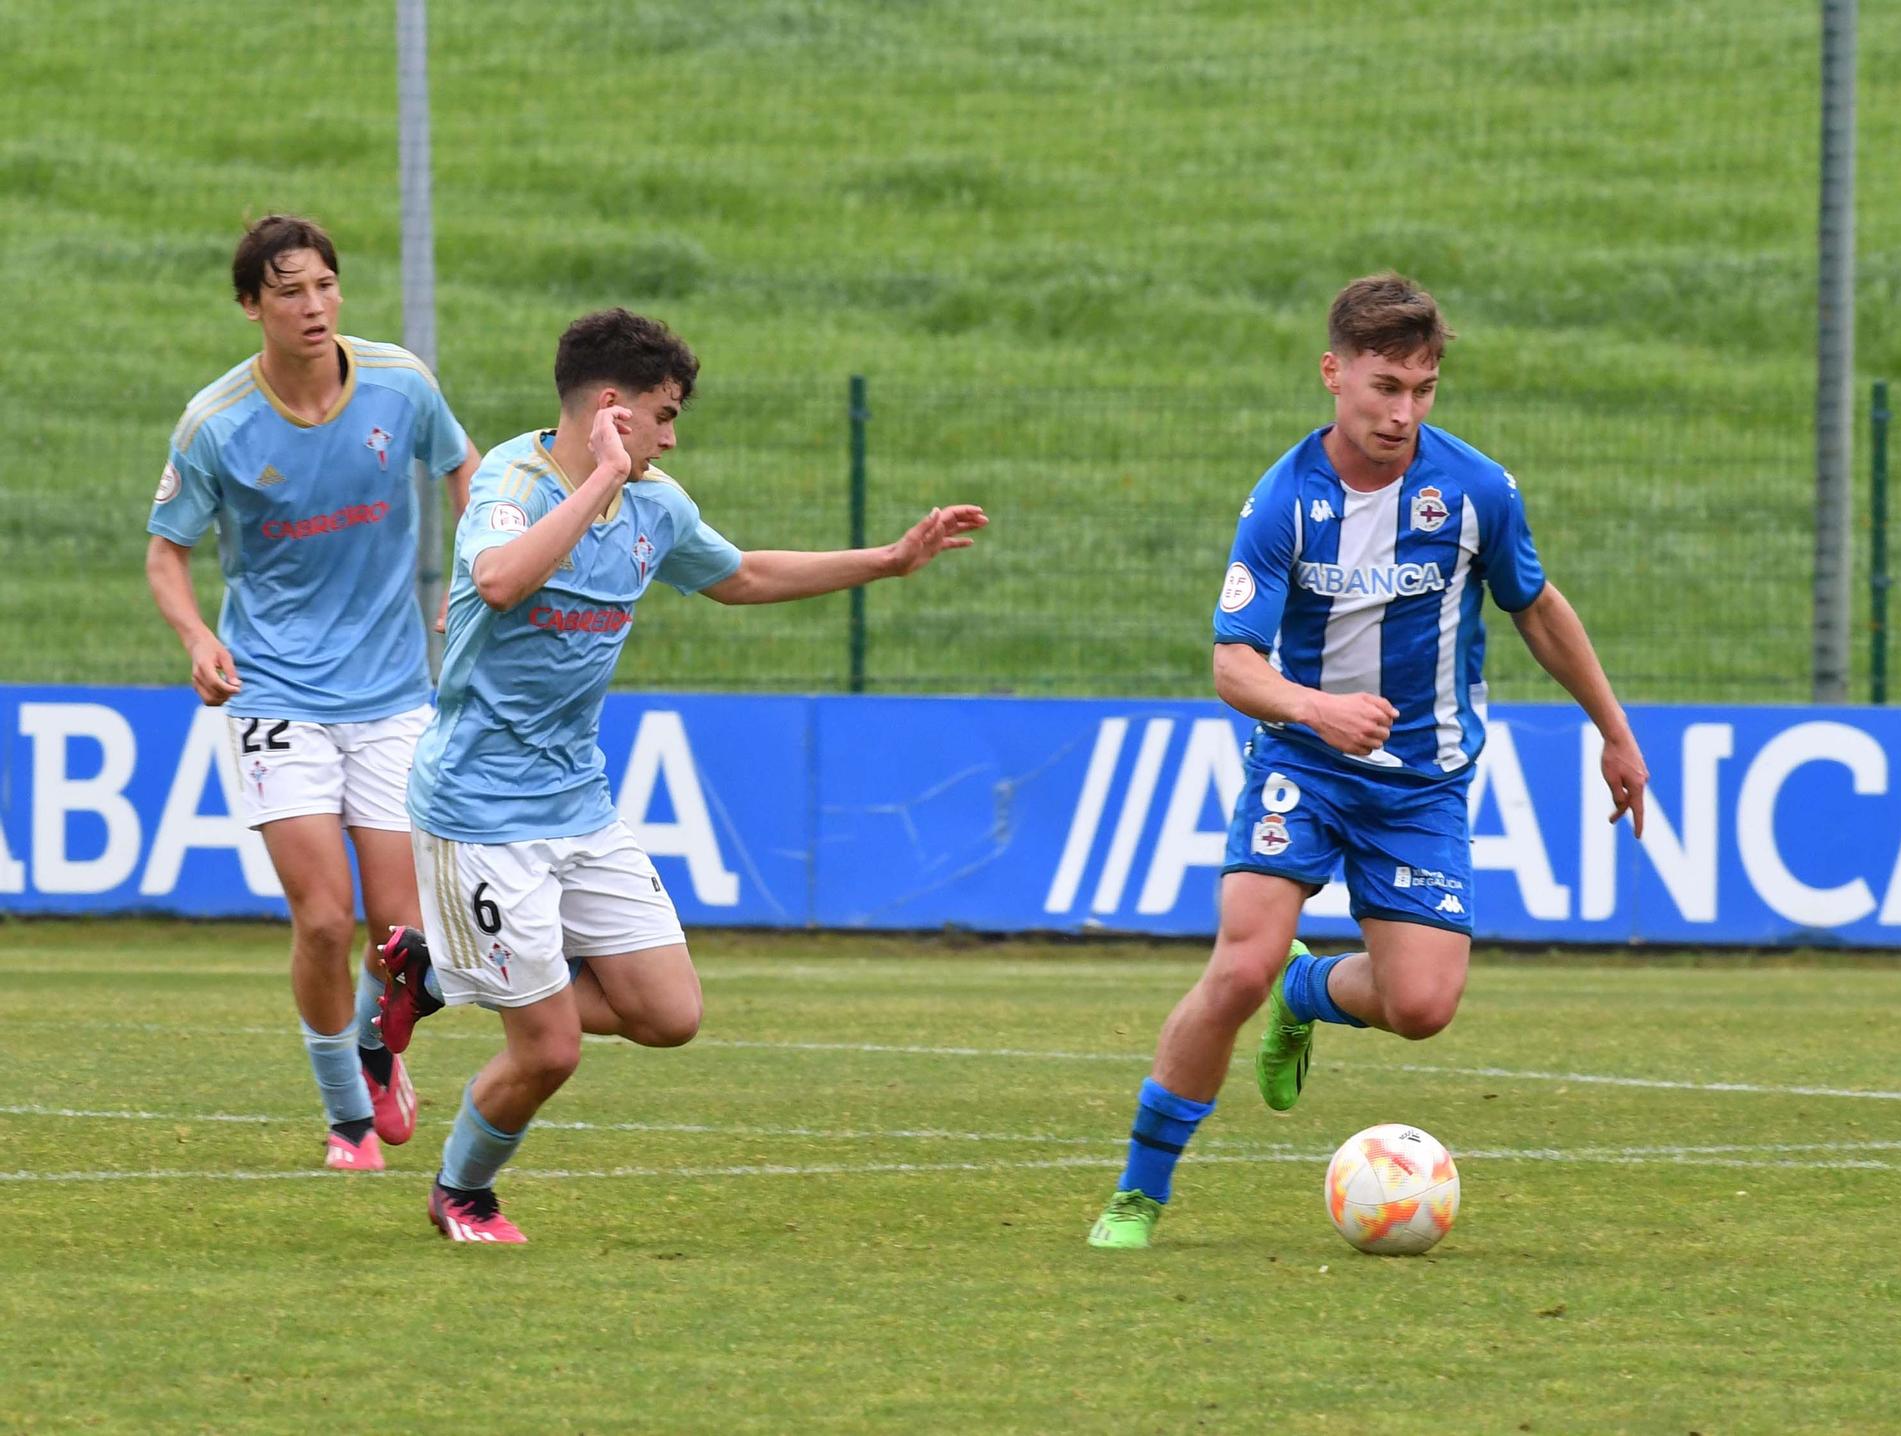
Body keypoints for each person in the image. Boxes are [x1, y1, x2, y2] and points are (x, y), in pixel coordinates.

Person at [373, 307, 986, 1243]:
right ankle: (463, 1191)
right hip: (478, 813)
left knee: (668, 1014)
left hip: (577, 804)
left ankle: (439, 975)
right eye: (663, 415)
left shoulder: (656, 502)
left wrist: (890, 562)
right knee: (550, 1049)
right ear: (611, 410)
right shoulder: (513, 480)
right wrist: (606, 479)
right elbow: (498, 580)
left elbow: (740, 575)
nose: (671, 434)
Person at [1088, 273, 1648, 1250]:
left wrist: (1612, 727)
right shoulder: (1281, 501)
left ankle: (1308, 995)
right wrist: (1316, 710)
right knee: (1238, 966)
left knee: (1421, 1006)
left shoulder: (1474, 489)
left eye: (1421, 389)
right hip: (1301, 766)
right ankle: (1138, 1192)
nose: (1401, 411)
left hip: (1422, 784)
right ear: (1332, 373)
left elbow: (1537, 606)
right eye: (1383, 385)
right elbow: (1231, 664)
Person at [145, 214, 480, 1172]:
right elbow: (166, 551)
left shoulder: (400, 385)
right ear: (251, 304)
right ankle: (347, 1117)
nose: (314, 306)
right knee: (325, 919)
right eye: (289, 291)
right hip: (277, 693)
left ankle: (377, 1049)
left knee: (401, 930)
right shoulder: (218, 424)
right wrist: (197, 634)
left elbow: (468, 469)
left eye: (325, 286)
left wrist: (474, 579)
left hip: (392, 694)